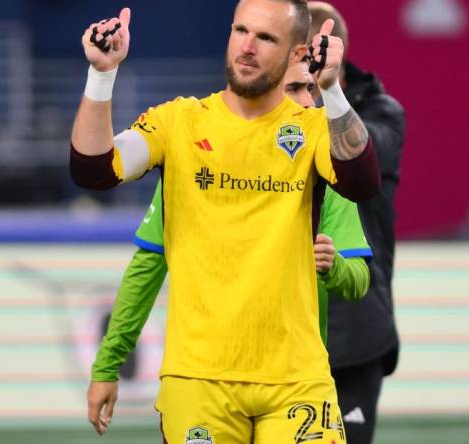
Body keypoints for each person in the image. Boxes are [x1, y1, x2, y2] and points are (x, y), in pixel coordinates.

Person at [69, 1, 381, 441]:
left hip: (297, 380)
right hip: (198, 381)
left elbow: (363, 181)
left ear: (297, 54)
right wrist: (101, 76)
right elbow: (94, 169)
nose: (248, 47)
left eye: (266, 38)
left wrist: (330, 90)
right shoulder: (177, 122)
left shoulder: (312, 129)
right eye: (240, 31)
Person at [90, 56, 372, 392]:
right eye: (295, 89)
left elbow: (359, 280)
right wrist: (108, 364)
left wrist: (334, 267)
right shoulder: (196, 156)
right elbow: (148, 266)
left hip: (292, 379)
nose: (309, 102)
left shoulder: (324, 162)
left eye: (310, 88)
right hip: (204, 379)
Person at [307, 3, 406, 443]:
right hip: (282, 329)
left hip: (355, 329)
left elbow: (359, 155)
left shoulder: (383, 114)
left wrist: (325, 92)